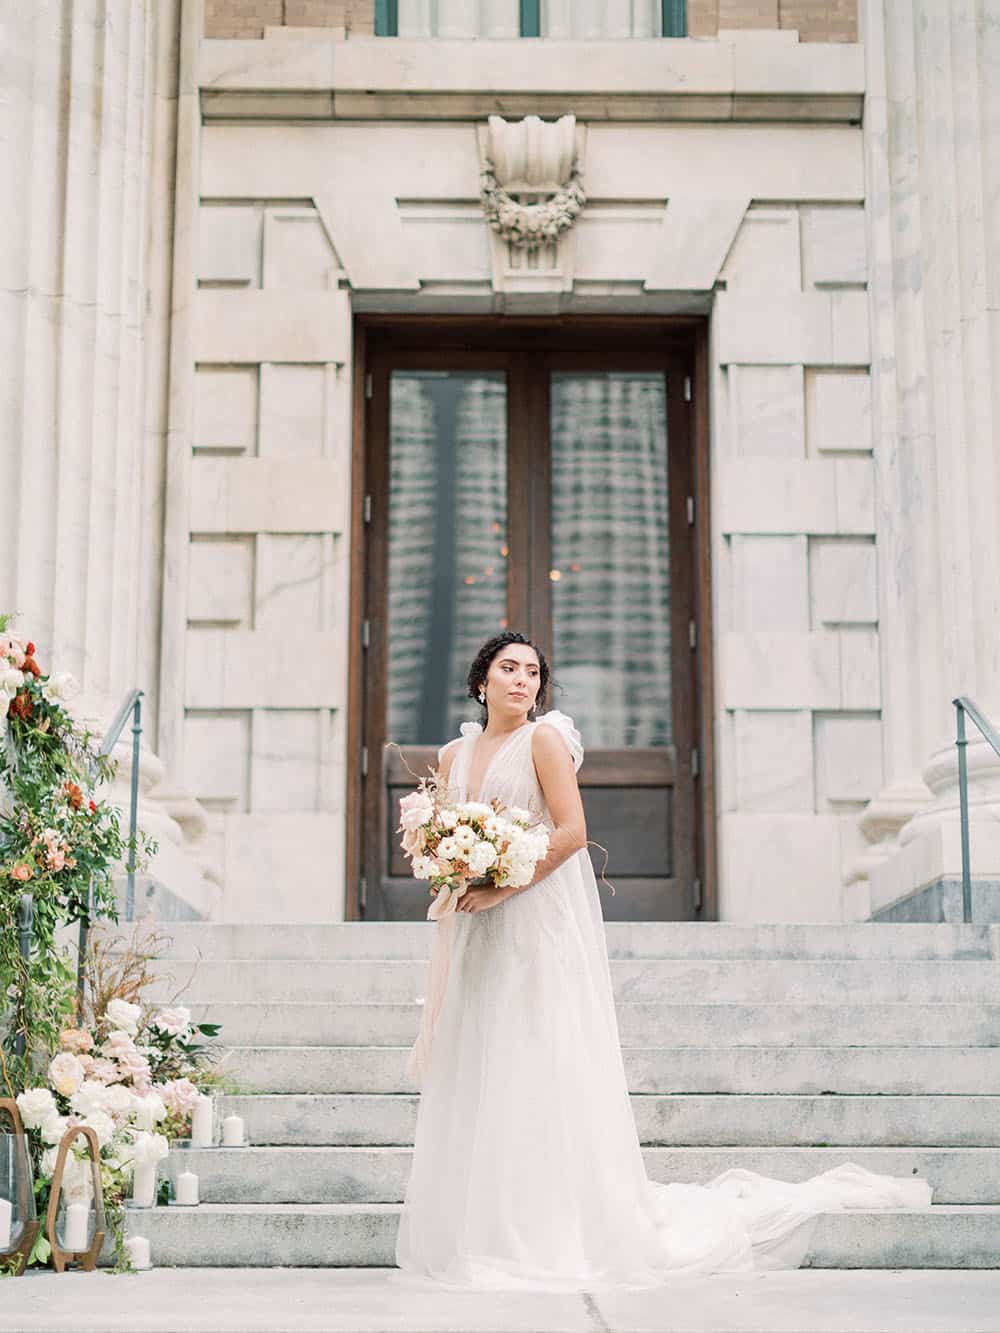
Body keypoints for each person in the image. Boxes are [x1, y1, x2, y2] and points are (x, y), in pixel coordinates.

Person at [392, 630, 933, 1292]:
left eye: (533, 671)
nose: (522, 680)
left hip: (530, 924)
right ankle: (480, 1225)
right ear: (481, 680)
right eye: (508, 668)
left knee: (533, 1060)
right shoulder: (453, 753)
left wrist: (500, 882)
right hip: (476, 932)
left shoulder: (543, 741)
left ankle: (542, 1229)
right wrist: (449, 864)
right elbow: (445, 836)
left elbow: (569, 832)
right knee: (481, 1059)